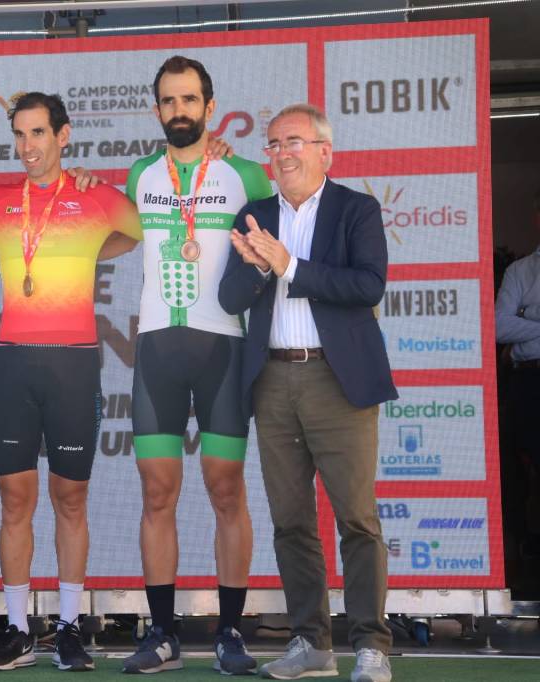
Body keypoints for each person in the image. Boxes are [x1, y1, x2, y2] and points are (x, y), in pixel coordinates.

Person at [0, 92, 142, 673]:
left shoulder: (95, 197)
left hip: (74, 364)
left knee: (70, 498)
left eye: (38, 133)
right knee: (15, 500)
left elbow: (146, 227)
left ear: (62, 136)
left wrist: (90, 251)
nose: (27, 146)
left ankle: (67, 628)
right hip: (14, 364)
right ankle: (18, 631)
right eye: (19, 134)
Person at [218, 103, 396, 682]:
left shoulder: (356, 209)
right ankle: (311, 643)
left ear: (325, 151)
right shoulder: (255, 215)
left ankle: (371, 645)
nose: (282, 153)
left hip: (337, 380)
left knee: (357, 519)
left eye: (293, 141)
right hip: (272, 381)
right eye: (273, 144)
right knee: (290, 521)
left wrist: (289, 264)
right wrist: (259, 268)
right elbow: (229, 298)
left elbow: (368, 284)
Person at [121, 56, 272, 676]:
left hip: (223, 349)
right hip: (158, 349)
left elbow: (285, 246)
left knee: (225, 489)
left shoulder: (247, 174)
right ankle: (161, 634)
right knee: (157, 492)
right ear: (156, 108)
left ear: (210, 107)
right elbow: (104, 228)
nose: (178, 110)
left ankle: (230, 631)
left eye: (189, 100)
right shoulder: (140, 174)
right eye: (168, 100)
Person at [495, 188, 540, 557]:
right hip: (530, 381)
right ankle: (527, 546)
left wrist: (527, 316)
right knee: (520, 469)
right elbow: (499, 327)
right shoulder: (521, 270)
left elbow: (514, 324)